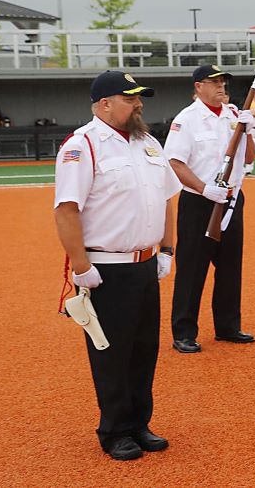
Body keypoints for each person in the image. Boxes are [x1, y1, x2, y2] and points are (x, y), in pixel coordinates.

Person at [54, 70, 179, 460]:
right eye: (130, 99)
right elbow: (67, 210)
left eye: (139, 98)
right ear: (104, 103)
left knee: (144, 349)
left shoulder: (148, 143)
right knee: (111, 353)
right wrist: (80, 266)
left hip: (145, 265)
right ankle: (114, 430)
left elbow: (168, 198)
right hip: (106, 268)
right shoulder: (83, 145)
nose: (139, 104)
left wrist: (167, 250)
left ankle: (140, 423)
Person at [164, 65, 255, 354]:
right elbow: (175, 162)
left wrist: (248, 131)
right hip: (199, 201)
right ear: (198, 87)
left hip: (230, 199)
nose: (221, 87)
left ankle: (228, 326)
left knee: (230, 266)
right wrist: (205, 188)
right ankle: (184, 332)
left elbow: (249, 157)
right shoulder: (186, 120)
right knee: (192, 268)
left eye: (223, 82)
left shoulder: (232, 116)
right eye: (213, 82)